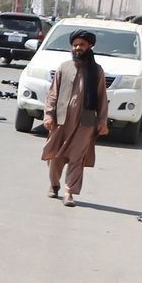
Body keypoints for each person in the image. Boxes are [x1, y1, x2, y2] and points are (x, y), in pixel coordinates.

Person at [42, 28, 109, 206]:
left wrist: (102, 120)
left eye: (82, 45)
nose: (78, 48)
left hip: (85, 122)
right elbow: (52, 93)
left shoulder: (97, 71)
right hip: (61, 119)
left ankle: (69, 192)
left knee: (76, 157)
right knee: (55, 156)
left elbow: (102, 96)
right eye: (75, 45)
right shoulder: (64, 67)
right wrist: (49, 115)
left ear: (89, 47)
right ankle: (54, 185)